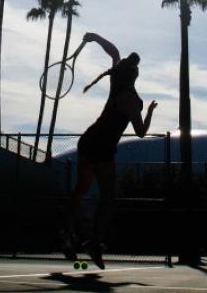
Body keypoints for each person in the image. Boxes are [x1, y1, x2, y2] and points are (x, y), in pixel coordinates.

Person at [61, 31, 157, 269]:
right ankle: (93, 241)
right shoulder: (133, 101)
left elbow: (114, 52)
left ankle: (66, 233)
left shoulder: (116, 84)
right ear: (134, 76)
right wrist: (151, 111)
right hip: (103, 148)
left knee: (80, 190)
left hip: (89, 139)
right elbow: (141, 132)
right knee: (107, 197)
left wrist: (95, 37)